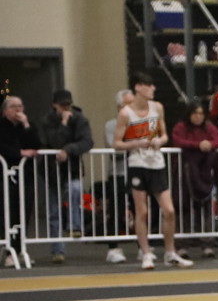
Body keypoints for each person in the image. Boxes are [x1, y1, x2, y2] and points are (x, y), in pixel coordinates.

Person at [113, 72, 193, 270]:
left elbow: (165, 135)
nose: (153, 89)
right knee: (142, 211)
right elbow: (117, 143)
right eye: (149, 85)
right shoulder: (126, 113)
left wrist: (159, 141)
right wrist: (136, 143)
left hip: (156, 164)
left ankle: (170, 252)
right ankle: (146, 253)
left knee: (169, 210)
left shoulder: (157, 108)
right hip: (137, 164)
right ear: (138, 87)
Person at [39, 89, 93, 263]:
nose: (66, 108)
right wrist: (63, 124)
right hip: (51, 170)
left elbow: (87, 141)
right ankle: (58, 250)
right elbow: (53, 141)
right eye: (62, 105)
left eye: (68, 105)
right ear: (54, 105)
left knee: (75, 189)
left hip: (72, 168)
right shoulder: (47, 121)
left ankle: (74, 225)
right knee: (54, 211)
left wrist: (68, 150)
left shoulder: (80, 118)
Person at [171, 102, 218, 258]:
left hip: (204, 174)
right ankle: (181, 245)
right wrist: (198, 145)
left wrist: (209, 144)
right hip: (184, 173)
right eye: (195, 113)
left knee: (205, 208)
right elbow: (178, 141)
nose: (198, 117)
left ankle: (207, 243)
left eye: (201, 113)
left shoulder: (209, 127)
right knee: (183, 208)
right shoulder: (180, 127)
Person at [0, 95, 41, 268]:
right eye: (14, 106)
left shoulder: (28, 125)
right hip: (5, 175)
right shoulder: (2, 126)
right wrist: (19, 153)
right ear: (5, 111)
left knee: (24, 213)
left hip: (26, 175)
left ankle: (20, 249)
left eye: (20, 106)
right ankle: (9, 251)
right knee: (8, 213)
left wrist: (26, 125)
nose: (18, 110)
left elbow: (36, 144)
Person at [103, 89, 134, 264]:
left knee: (141, 210)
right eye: (127, 104)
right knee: (116, 210)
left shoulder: (143, 123)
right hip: (119, 172)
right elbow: (115, 148)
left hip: (139, 170)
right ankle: (113, 248)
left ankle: (143, 247)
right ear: (119, 107)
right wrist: (135, 143)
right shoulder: (111, 125)